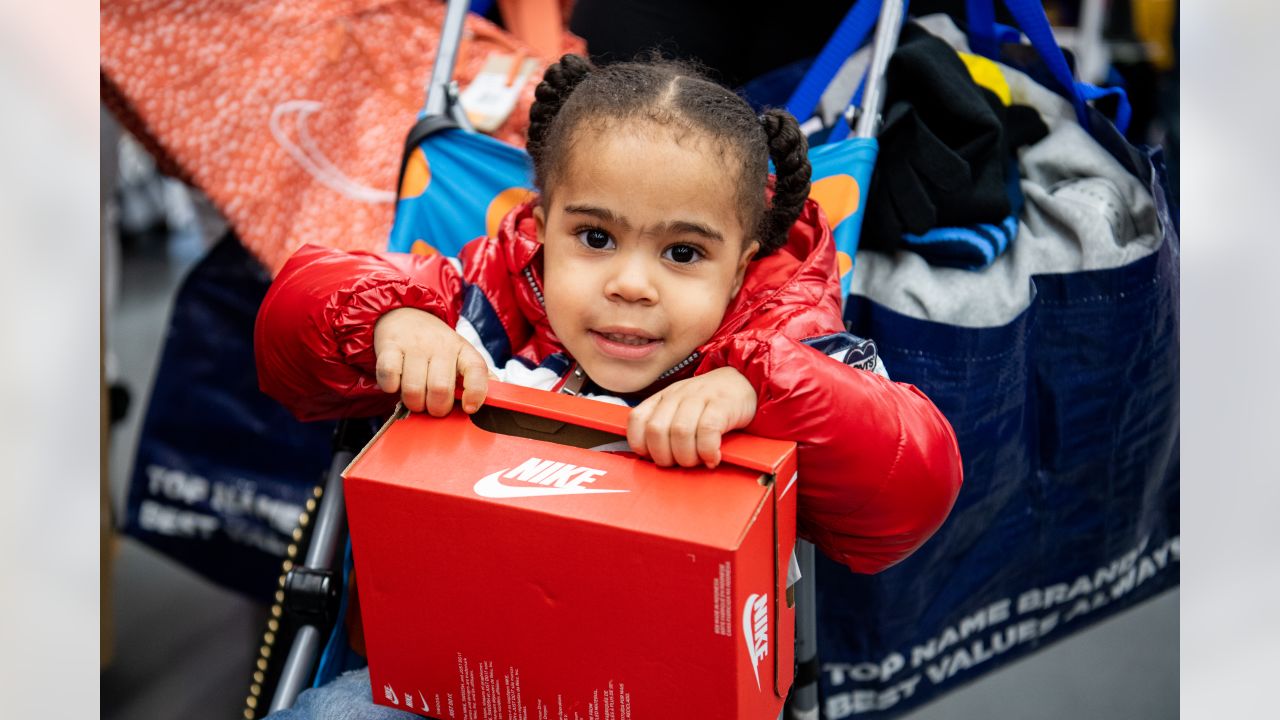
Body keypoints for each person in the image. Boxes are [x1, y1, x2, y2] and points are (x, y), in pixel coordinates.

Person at [255, 54, 962, 719]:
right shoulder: (489, 313)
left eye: (682, 253)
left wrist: (763, 390)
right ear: (542, 223)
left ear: (743, 265)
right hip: (452, 680)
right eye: (595, 238)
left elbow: (915, 483)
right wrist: (391, 321)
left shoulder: (789, 354)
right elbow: (294, 330)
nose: (630, 284)